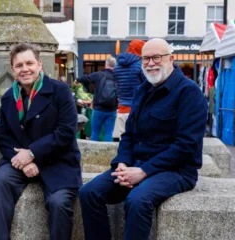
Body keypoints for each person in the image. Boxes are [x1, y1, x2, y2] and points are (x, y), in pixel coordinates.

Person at [79, 38, 208, 240]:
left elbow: (186, 146)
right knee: (89, 193)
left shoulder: (189, 93)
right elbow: (129, 134)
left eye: (156, 57)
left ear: (171, 59)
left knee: (137, 201)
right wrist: (122, 162)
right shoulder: (143, 89)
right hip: (136, 164)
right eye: (145, 59)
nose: (150, 63)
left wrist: (143, 171)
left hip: (175, 170)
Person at [0, 43, 81, 240]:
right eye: (19, 65)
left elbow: (66, 133)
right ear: (13, 70)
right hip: (19, 161)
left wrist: (32, 154)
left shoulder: (60, 91)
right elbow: (3, 138)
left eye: (29, 63)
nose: (25, 69)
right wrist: (22, 162)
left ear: (39, 64)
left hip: (58, 161)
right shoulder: (8, 98)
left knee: (58, 203)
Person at [76, 57, 118, 142]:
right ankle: (109, 154)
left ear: (106, 64)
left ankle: (93, 153)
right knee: (108, 133)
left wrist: (77, 80)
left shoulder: (98, 75)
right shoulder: (117, 77)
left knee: (95, 133)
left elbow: (86, 78)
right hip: (112, 110)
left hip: (98, 109)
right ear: (115, 66)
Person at [113, 39, 145, 139]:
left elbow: (116, 85)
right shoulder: (140, 65)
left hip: (121, 109)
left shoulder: (117, 65)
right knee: (138, 141)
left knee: (124, 141)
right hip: (137, 109)